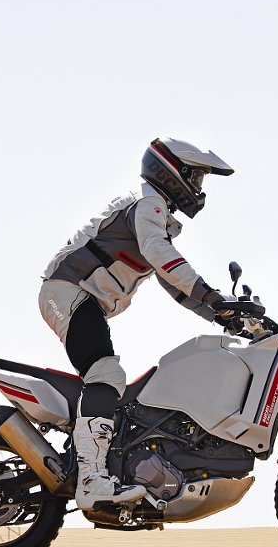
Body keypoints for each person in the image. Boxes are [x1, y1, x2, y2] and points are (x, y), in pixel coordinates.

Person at [38, 137, 236, 511]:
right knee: (106, 375)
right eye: (196, 177)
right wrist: (212, 296)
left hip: (78, 298)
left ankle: (106, 462)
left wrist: (222, 316)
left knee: (108, 377)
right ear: (173, 172)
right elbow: (162, 257)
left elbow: (176, 289)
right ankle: (92, 481)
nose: (198, 187)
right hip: (68, 292)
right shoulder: (148, 205)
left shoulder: (153, 213)